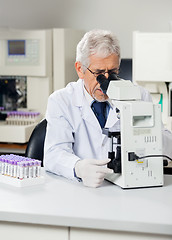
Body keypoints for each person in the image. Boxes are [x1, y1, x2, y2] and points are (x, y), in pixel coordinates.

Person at [44, 29, 172, 188]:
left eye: (112, 72)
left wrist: (144, 126)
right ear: (79, 69)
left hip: (132, 186)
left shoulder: (139, 95)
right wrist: (78, 167)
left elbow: (167, 145)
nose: (105, 80)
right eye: (98, 73)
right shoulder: (62, 101)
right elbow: (53, 154)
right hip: (83, 189)